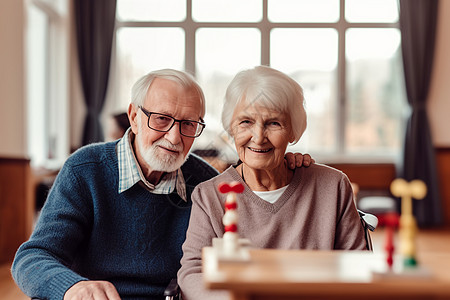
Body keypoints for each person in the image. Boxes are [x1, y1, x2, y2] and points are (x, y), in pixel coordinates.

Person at [11, 69, 312, 300]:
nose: (174, 137)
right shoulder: (86, 171)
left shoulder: (204, 182)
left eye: (188, 124)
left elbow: (251, 242)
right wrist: (73, 286)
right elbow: (32, 258)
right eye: (161, 119)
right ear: (134, 116)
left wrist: (286, 166)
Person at [177, 66, 367, 300]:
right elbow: (193, 271)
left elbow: (359, 266)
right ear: (231, 129)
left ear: (293, 131)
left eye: (274, 123)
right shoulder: (209, 196)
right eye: (245, 121)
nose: (258, 137)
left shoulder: (333, 186)